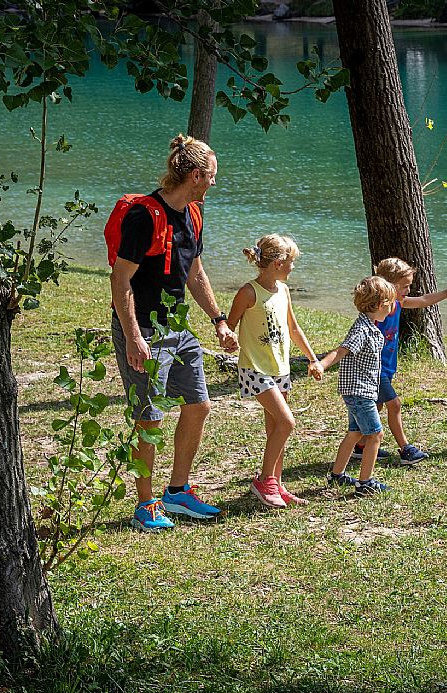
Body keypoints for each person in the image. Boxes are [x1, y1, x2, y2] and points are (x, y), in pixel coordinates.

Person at [110, 134, 239, 532]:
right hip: (145, 329)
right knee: (149, 418)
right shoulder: (144, 217)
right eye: (212, 176)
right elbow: (121, 280)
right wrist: (133, 336)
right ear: (196, 175)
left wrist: (218, 319)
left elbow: (195, 274)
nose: (215, 183)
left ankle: (178, 492)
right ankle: (145, 505)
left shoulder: (194, 215)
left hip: (177, 327)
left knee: (198, 405)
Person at [227, 235, 324, 508]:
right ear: (279, 262)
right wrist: (228, 339)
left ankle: (276, 485)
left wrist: (313, 359)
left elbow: (293, 329)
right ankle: (264, 480)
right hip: (255, 368)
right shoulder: (249, 292)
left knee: (276, 430)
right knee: (287, 423)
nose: (293, 267)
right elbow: (229, 327)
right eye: (291, 262)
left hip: (280, 368)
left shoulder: (283, 290)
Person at [350, 257, 447, 465]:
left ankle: (360, 447)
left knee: (377, 405)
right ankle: (405, 448)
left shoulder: (398, 303)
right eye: (405, 286)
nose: (408, 290)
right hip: (375, 370)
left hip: (387, 367)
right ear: (388, 286)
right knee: (394, 405)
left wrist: (446, 293)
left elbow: (423, 300)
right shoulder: (378, 312)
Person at [320, 276, 398, 496]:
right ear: (382, 305)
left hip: (360, 391)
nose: (393, 308)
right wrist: (322, 365)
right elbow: (342, 350)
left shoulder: (370, 327)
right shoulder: (362, 330)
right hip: (359, 392)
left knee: (355, 432)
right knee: (375, 435)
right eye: (391, 303)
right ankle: (365, 483)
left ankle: (337, 475)